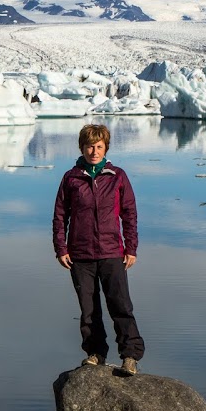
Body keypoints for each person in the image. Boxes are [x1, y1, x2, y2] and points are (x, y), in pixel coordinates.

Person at [52, 123, 145, 374]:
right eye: (90, 146)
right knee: (89, 309)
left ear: (106, 148)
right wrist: (61, 248)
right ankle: (95, 354)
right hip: (80, 255)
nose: (94, 151)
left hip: (112, 252)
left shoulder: (117, 176)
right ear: (82, 148)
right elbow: (60, 215)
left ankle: (130, 356)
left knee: (121, 306)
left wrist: (131, 247)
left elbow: (129, 214)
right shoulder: (71, 178)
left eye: (99, 146)